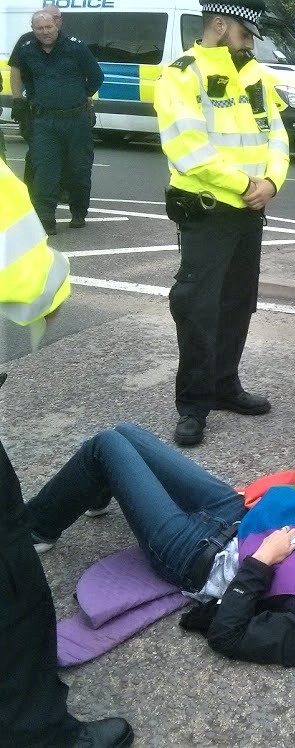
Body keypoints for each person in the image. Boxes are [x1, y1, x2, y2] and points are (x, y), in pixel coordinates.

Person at [25, 424, 295, 666]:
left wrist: (261, 562)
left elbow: (228, 635)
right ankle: (98, 485)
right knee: (128, 434)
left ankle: (36, 528)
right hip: (236, 514)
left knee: (106, 446)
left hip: (195, 554)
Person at [0, 160, 134, 747]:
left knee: (114, 447)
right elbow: (36, 283)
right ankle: (35, 732)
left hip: (211, 537)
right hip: (209, 541)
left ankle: (47, 517)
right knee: (8, 567)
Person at [154, 0, 290, 447]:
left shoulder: (254, 73)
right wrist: (245, 183)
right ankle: (193, 405)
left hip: (250, 209)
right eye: (246, 33)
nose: (251, 42)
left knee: (236, 302)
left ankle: (225, 385)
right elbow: (187, 148)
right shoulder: (182, 73)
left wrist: (272, 180)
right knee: (197, 309)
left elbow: (277, 134)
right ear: (219, 24)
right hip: (209, 209)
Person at [15, 8, 103, 236]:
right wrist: (29, 101)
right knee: (45, 169)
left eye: (48, 27)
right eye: (39, 28)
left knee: (79, 167)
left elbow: (96, 76)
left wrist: (80, 95)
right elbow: (26, 78)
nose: (45, 32)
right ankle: (46, 217)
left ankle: (78, 212)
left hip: (76, 119)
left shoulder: (76, 47)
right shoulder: (26, 50)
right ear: (33, 29)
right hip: (45, 121)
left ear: (57, 26)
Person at [8, 5, 64, 186]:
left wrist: (87, 102)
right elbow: (15, 70)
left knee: (65, 152)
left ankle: (59, 188)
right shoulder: (26, 42)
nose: (51, 21)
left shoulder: (68, 42)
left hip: (64, 111)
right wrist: (17, 100)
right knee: (37, 151)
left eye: (55, 18)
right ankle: (32, 189)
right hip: (36, 108)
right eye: (48, 17)